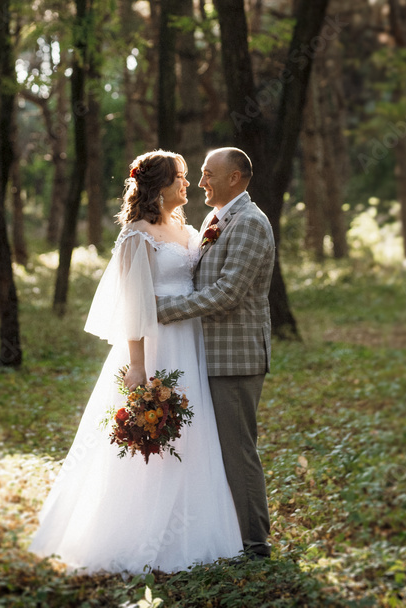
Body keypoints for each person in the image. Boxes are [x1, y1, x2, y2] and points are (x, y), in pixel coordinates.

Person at [28, 150, 243, 574]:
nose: (189, 184)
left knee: (192, 434)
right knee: (153, 434)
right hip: (156, 345)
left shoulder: (185, 228)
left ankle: (194, 531)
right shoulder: (136, 235)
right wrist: (138, 365)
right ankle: (135, 534)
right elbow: (133, 305)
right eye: (181, 177)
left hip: (191, 341)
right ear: (159, 185)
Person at [156, 147, 275, 560]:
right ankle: (226, 534)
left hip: (236, 357)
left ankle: (256, 544)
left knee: (238, 449)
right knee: (216, 447)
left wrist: (164, 310)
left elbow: (227, 293)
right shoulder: (214, 218)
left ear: (236, 178)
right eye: (201, 175)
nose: (201, 182)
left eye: (208, 174)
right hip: (207, 354)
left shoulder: (250, 224)